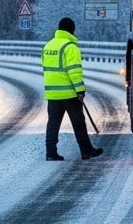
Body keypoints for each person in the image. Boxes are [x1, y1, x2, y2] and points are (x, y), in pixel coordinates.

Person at [42, 16, 103, 161]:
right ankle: (86, 151)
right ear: (71, 30)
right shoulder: (70, 47)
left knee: (53, 124)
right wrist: (80, 90)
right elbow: (74, 71)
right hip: (69, 93)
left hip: (53, 93)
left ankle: (51, 153)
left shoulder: (48, 46)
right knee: (78, 123)